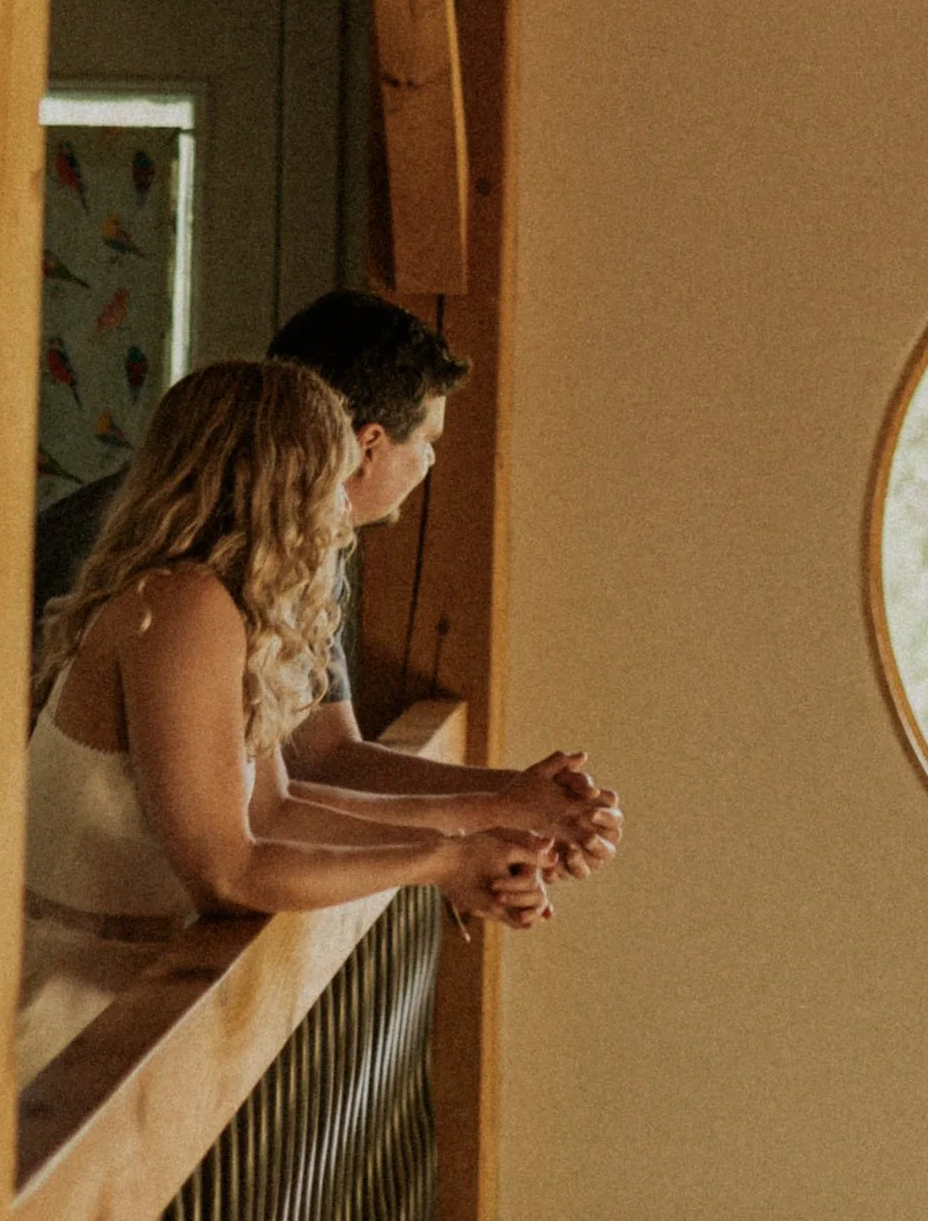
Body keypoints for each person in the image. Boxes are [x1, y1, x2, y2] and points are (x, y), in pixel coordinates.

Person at [18, 356, 559, 1084]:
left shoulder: (211, 603)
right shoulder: (183, 609)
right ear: (278, 485)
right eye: (334, 482)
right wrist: (443, 858)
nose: (343, 511)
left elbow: (273, 807)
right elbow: (227, 870)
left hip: (107, 997)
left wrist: (464, 845)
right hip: (52, 1012)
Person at [38, 289, 622, 875]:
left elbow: (277, 798)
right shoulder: (183, 588)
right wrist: (482, 828)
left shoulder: (281, 553)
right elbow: (254, 835)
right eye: (429, 442)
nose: (430, 463)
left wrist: (504, 818)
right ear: (362, 447)